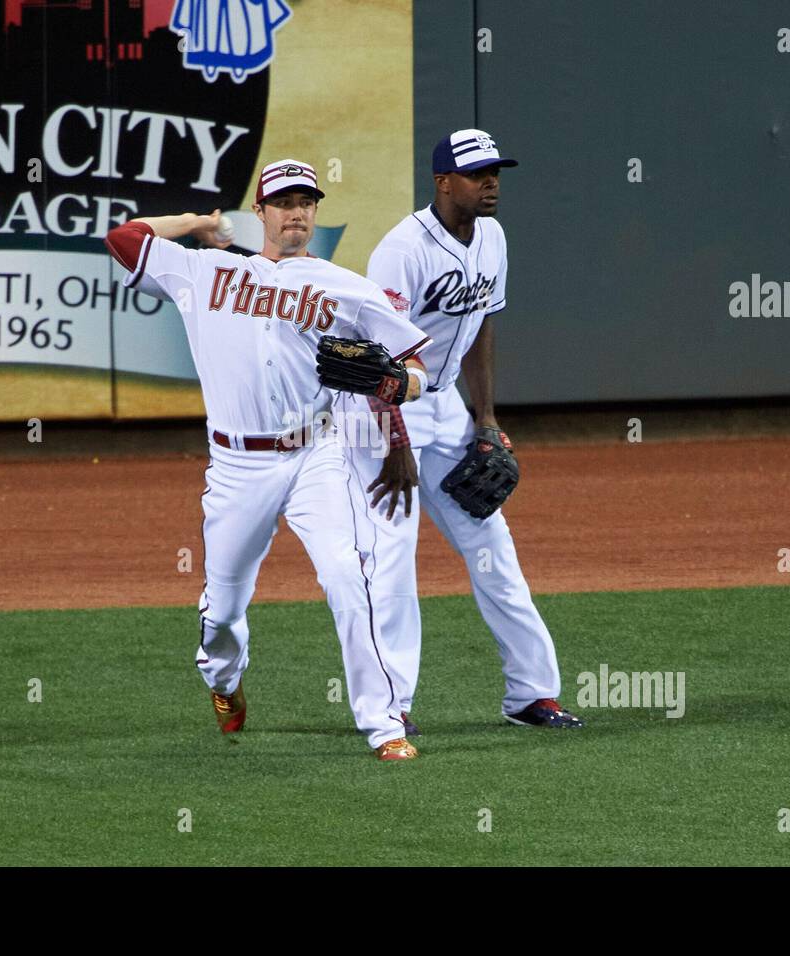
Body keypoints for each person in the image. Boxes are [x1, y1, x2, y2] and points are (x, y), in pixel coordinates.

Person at [104, 159, 433, 760]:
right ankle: (225, 684)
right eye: (283, 202)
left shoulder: (345, 285)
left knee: (348, 577)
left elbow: (417, 369)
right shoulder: (204, 271)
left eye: (306, 201)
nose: (297, 212)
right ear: (260, 212)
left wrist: (395, 386)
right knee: (223, 610)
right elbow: (123, 238)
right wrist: (196, 222)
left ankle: (384, 725)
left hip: (317, 456)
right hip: (236, 468)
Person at [337, 130, 584, 733]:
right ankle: (390, 708)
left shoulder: (493, 237)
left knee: (492, 547)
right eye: (478, 174)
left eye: (496, 172)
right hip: (383, 409)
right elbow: (377, 356)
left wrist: (488, 418)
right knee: (392, 560)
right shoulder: (403, 249)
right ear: (444, 182)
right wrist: (396, 443)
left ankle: (532, 695)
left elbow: (481, 329)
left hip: (446, 410)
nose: (491, 183)